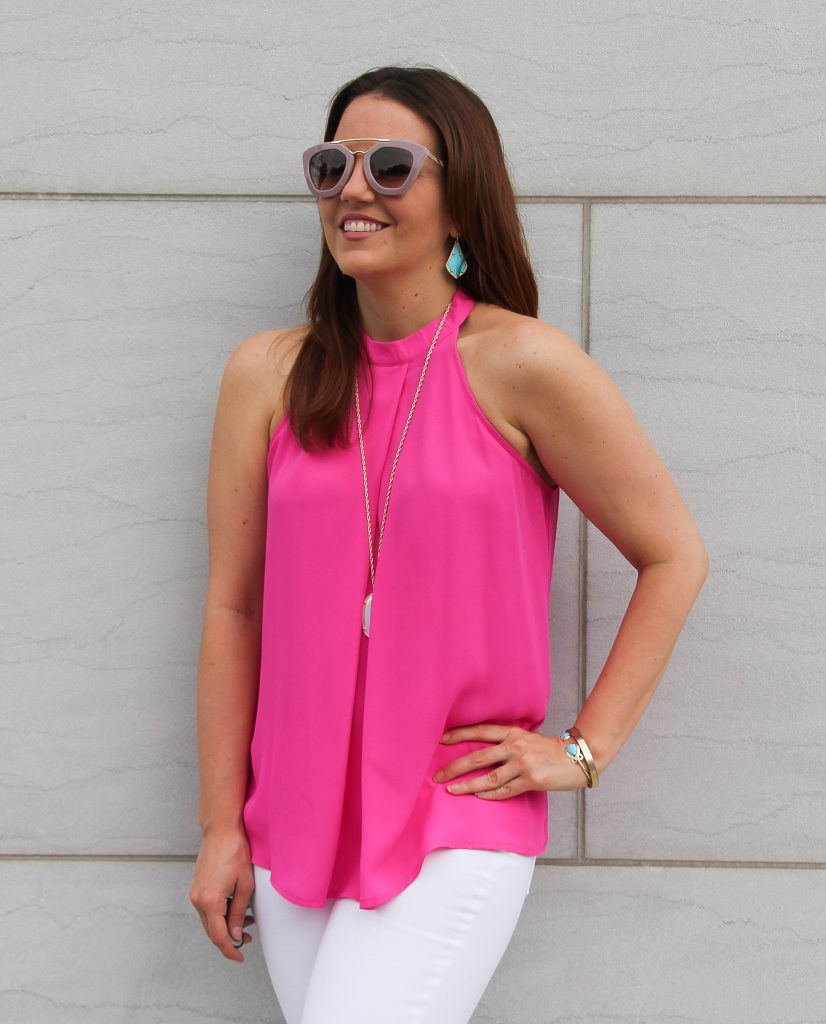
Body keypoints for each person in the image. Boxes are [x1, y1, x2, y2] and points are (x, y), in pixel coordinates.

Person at [189, 65, 708, 1024]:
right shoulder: (266, 374)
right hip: (294, 827)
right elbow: (233, 606)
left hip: (452, 818)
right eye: (331, 166)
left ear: (460, 198)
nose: (352, 189)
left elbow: (675, 556)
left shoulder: (524, 363)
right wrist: (223, 824)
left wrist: (585, 750)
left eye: (390, 167)